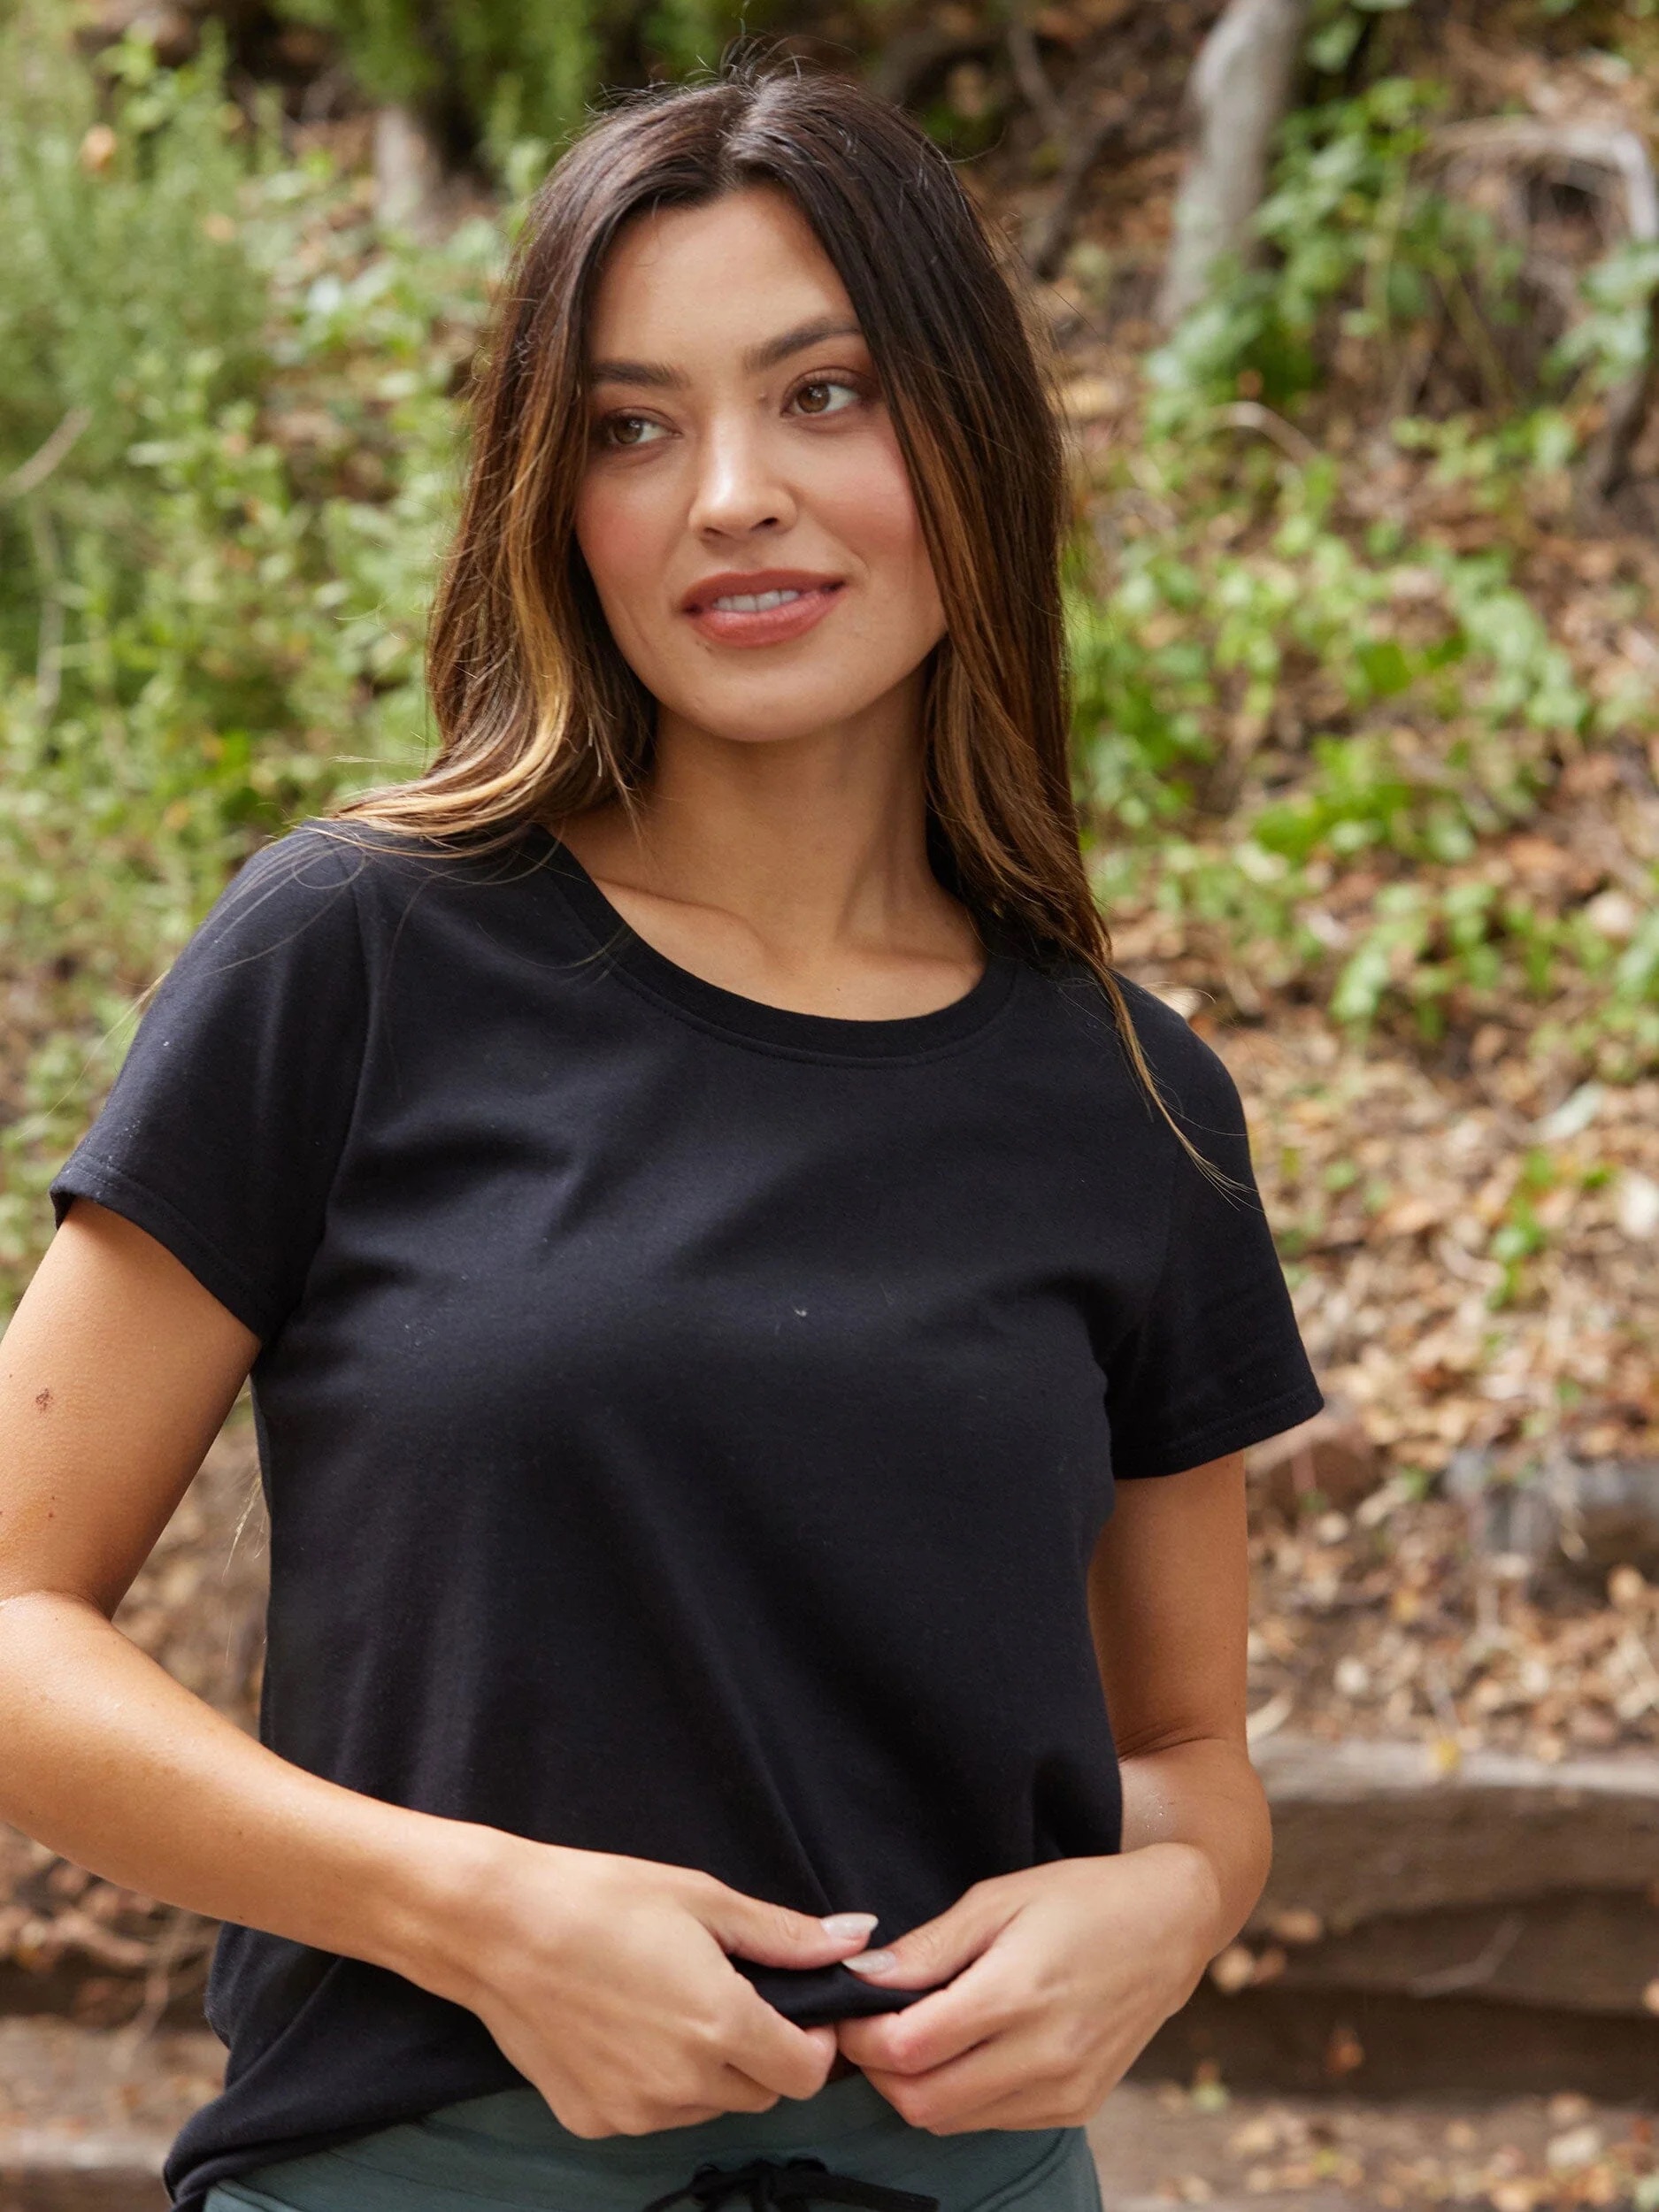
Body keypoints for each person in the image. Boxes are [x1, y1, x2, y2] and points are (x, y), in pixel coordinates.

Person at [0, 57, 1325, 2212]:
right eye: (633, 424)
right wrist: (474, 1910)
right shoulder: (352, 955)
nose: (730, 493)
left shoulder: (1132, 1098)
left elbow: (1186, 1761)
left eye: (822, 394)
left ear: (969, 445)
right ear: (555, 494)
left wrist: (1163, 1909)